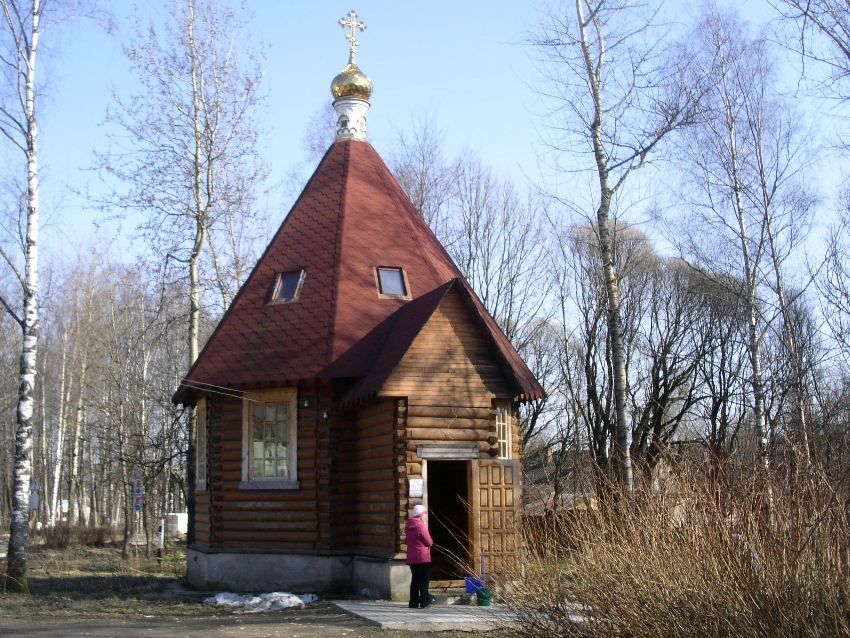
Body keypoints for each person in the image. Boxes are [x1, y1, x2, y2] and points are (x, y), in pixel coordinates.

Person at [405, 504, 433, 609]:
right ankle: (424, 602)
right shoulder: (421, 525)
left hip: (412, 557)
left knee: (415, 580)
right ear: (421, 514)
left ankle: (413, 603)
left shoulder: (408, 525)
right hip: (422, 557)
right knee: (424, 581)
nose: (425, 516)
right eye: (424, 514)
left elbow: (406, 540)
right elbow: (429, 541)